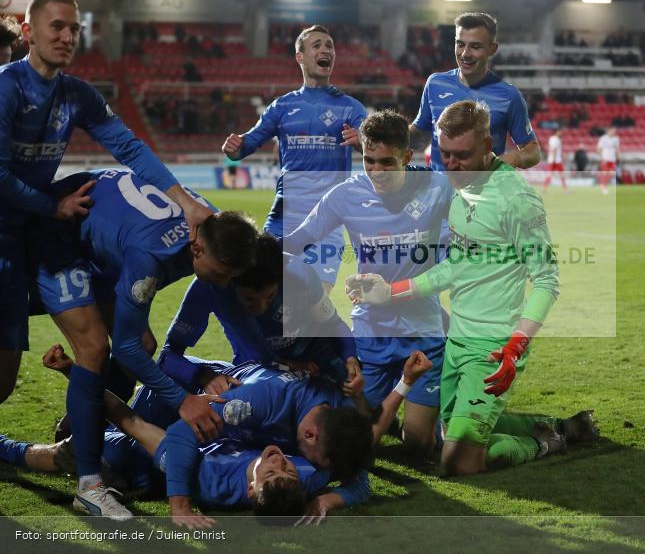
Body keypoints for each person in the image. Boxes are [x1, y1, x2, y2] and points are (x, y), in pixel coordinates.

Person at [346, 101, 597, 476]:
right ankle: (554, 423)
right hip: (456, 340)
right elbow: (457, 266)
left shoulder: (516, 199)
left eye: (462, 155)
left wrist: (516, 346)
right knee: (445, 436)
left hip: (494, 346)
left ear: (487, 144)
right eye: (445, 154)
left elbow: (546, 280)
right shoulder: (461, 188)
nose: (452, 165)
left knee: (458, 460)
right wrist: (390, 291)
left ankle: (548, 441)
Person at [0, 0, 211, 434]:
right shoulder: (6, 86)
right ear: (28, 32)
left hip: (30, 234)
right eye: (56, 26)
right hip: (11, 234)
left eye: (74, 28)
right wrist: (50, 204)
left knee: (134, 342)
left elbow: (129, 147)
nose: (67, 36)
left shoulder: (77, 94)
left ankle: (82, 430)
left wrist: (186, 201)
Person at [29, 169, 257, 520]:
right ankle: (89, 485)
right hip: (60, 235)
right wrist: (183, 401)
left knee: (144, 342)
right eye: (223, 272)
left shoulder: (210, 224)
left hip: (105, 241)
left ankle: (86, 431)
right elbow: (124, 349)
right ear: (197, 249)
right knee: (96, 348)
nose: (226, 283)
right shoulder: (150, 259)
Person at [0, 345, 371, 528]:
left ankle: (9, 449)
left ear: (251, 491)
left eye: (274, 472)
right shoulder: (299, 468)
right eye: (287, 469)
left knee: (68, 453)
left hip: (135, 458)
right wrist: (327, 502)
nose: (279, 461)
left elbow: (136, 426)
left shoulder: (207, 477)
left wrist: (326, 502)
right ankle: (81, 415)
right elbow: (355, 483)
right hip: (190, 398)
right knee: (158, 406)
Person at [286, 110, 452, 455]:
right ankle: (393, 405)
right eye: (369, 161)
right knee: (354, 430)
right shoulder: (344, 195)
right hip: (371, 330)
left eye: (386, 163)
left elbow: (461, 253)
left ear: (407, 157)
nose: (376, 172)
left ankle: (442, 417)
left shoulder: (438, 188)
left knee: (418, 445)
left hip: (423, 329)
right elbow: (299, 240)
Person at [158, 348, 432, 523]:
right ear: (310, 435)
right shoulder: (259, 403)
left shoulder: (339, 427)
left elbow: (360, 481)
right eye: (324, 465)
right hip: (204, 387)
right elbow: (182, 431)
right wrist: (180, 506)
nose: (324, 472)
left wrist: (326, 499)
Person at [221, 25, 367, 292]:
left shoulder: (350, 107)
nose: (326, 50)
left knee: (315, 299)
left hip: (328, 219)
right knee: (263, 288)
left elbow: (376, 147)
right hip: (284, 216)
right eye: (317, 45)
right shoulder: (281, 107)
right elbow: (247, 144)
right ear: (300, 57)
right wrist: (235, 148)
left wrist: (363, 142)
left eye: (330, 45)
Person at [159, 234, 362, 396]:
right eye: (250, 300)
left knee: (353, 401)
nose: (261, 307)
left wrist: (350, 357)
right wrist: (203, 376)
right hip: (257, 373)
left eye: (270, 296)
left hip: (313, 360)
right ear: (230, 281)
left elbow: (333, 323)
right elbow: (168, 356)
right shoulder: (210, 286)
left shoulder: (299, 273)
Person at [410, 13, 540, 171]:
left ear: (492, 49)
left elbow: (533, 151)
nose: (465, 54)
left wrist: (510, 159)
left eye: (475, 46)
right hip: (440, 192)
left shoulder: (509, 97)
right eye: (460, 44)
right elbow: (419, 133)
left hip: (483, 192)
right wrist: (390, 136)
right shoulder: (435, 83)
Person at [543, 128, 567, 192]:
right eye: (560, 132)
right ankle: (565, 190)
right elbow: (554, 149)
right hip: (555, 160)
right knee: (553, 174)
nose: (561, 133)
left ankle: (545, 189)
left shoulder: (555, 139)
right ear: (557, 132)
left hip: (556, 160)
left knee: (553, 174)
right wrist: (553, 159)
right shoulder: (554, 139)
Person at [597, 126, 619, 194]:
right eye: (613, 130)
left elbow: (617, 148)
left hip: (612, 159)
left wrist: (618, 156)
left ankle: (603, 185)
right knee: (605, 173)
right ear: (609, 130)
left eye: (615, 131)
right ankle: (603, 187)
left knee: (612, 173)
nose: (614, 132)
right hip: (605, 159)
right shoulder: (603, 138)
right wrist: (602, 158)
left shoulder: (616, 138)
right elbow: (598, 149)